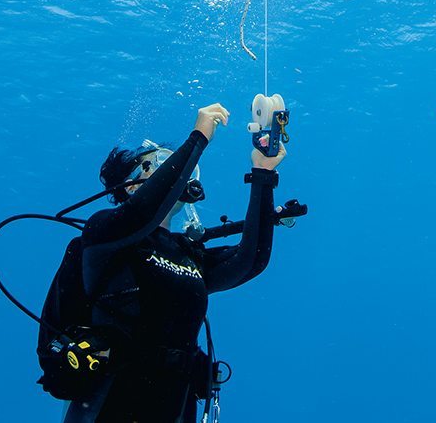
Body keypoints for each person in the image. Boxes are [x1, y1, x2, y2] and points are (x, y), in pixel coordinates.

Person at [61, 102, 285, 422]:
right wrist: (197, 138)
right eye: (158, 163)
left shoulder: (187, 253)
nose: (174, 171)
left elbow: (251, 260)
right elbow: (144, 211)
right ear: (132, 183)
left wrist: (264, 172)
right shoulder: (104, 233)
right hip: (109, 404)